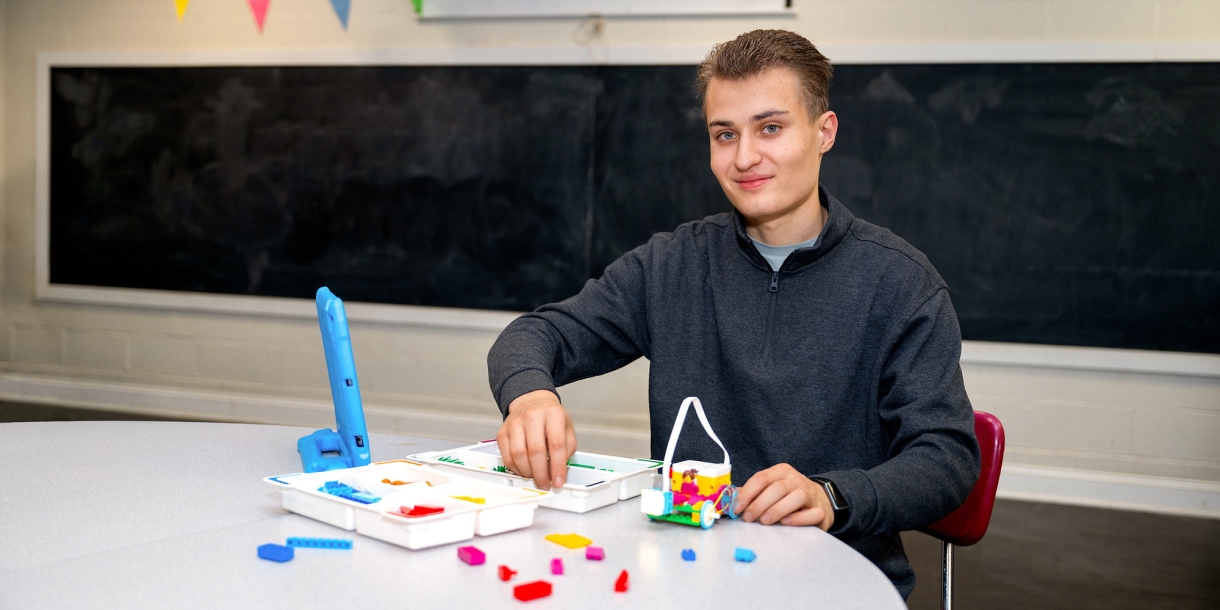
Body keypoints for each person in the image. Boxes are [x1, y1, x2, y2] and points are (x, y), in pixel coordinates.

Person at [486, 29, 980, 599]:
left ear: (824, 133)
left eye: (771, 127)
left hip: (835, 585)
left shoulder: (901, 283)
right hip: (682, 576)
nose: (744, 157)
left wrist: (832, 496)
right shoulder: (670, 264)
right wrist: (530, 393)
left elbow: (946, 456)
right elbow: (534, 335)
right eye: (725, 134)